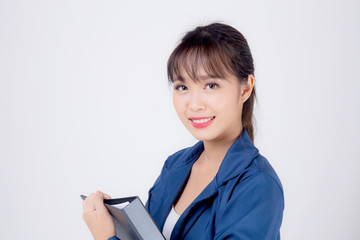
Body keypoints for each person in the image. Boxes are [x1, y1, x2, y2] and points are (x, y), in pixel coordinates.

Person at [82, 22, 284, 240]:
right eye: (182, 87)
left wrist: (106, 238)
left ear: (245, 88)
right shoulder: (175, 165)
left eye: (211, 85)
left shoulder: (257, 185)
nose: (194, 104)